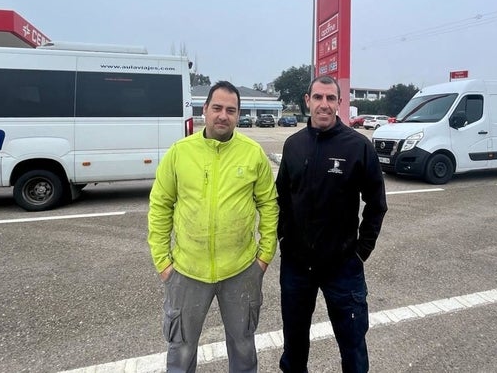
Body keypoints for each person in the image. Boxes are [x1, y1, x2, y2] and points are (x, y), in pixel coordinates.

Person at [148, 80, 278, 373]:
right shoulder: (180, 152)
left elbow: (269, 205)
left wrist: (264, 256)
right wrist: (163, 261)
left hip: (242, 270)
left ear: (238, 115)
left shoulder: (252, 153)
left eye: (230, 110)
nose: (223, 115)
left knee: (243, 346)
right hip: (186, 272)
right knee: (181, 350)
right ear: (204, 109)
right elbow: (160, 205)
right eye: (217, 108)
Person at [276, 75, 387, 373]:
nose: (323, 104)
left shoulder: (358, 146)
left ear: (339, 103)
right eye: (318, 97)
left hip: (343, 267)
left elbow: (376, 203)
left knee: (352, 345)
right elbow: (282, 197)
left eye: (330, 98)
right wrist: (284, 239)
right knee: (294, 344)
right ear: (307, 101)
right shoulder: (293, 145)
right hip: (297, 267)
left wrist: (361, 250)